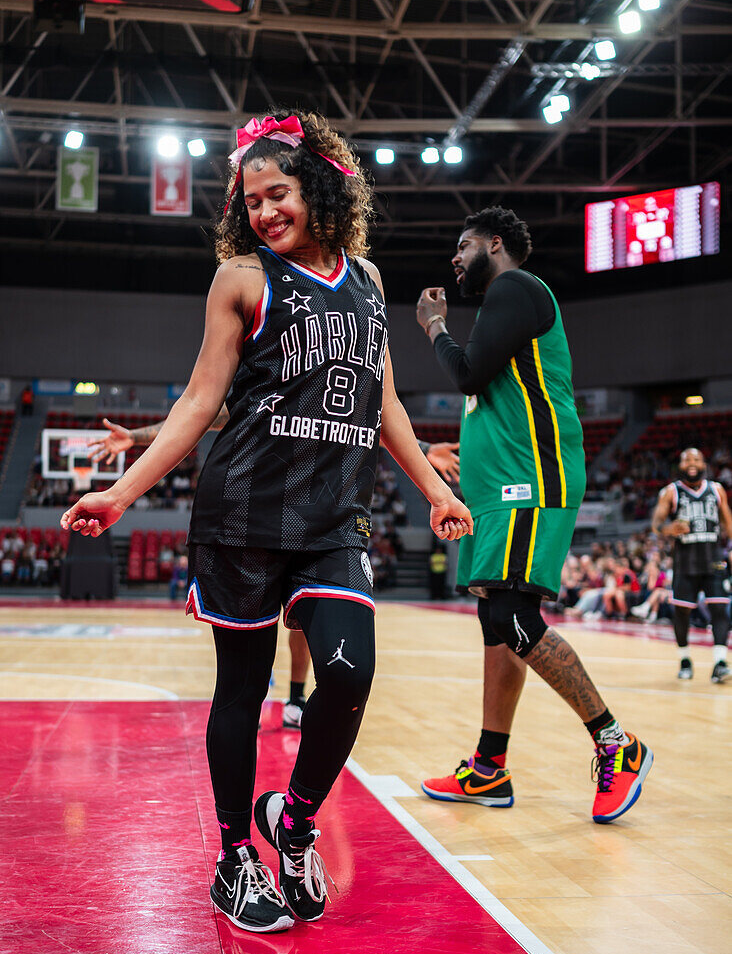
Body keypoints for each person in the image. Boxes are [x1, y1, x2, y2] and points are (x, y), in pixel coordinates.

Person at [62, 110, 472, 935]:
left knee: (349, 676)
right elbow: (197, 404)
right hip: (242, 517)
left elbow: (383, 400)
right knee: (241, 693)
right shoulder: (241, 281)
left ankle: (293, 819)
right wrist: (122, 493)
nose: (263, 213)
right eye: (250, 201)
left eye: (277, 194)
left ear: (319, 188)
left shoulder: (368, 280)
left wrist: (433, 488)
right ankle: (231, 857)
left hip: (332, 523)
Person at [415, 205, 652, 824]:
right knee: (496, 619)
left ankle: (616, 745)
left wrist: (435, 328)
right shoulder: (504, 301)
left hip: (533, 482)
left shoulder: (516, 287)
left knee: (517, 617)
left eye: (464, 245)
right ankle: (489, 769)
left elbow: (467, 373)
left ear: (496, 243)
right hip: (500, 491)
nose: (455, 258)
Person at [88, 415, 459, 730]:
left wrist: (423, 449)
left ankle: (296, 696)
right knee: (246, 665)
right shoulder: (267, 372)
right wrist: (136, 437)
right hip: (259, 517)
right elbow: (203, 412)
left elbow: (364, 415)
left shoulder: (332, 364)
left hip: (321, 516)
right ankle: (259, 691)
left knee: (308, 624)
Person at [651, 448, 732, 682]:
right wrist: (668, 528)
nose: (692, 463)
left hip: (714, 558)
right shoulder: (670, 492)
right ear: (680, 465)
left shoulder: (716, 489)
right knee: (682, 612)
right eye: (687, 460)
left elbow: (727, 520)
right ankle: (685, 659)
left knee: (719, 610)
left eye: (696, 459)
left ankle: (719, 663)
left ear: (704, 463)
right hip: (685, 561)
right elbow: (656, 524)